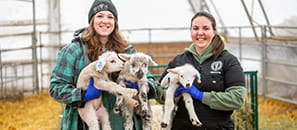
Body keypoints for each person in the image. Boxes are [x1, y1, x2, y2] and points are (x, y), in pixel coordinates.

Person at [49, 0, 158, 129]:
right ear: (91, 20)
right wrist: (81, 95)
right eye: (100, 16)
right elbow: (56, 87)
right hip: (86, 121)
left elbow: (151, 81)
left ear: (115, 22)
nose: (105, 21)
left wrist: (144, 86)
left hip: (122, 123)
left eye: (110, 17)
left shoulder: (126, 51)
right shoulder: (74, 51)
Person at [158, 11, 246, 130]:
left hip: (218, 126)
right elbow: (159, 91)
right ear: (191, 31)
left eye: (206, 28)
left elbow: (237, 98)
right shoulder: (179, 61)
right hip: (182, 126)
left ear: (214, 32)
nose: (200, 33)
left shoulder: (228, 60)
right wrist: (169, 93)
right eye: (195, 28)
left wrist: (201, 96)